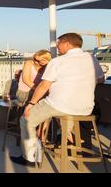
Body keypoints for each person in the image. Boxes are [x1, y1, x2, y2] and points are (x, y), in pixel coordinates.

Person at [10, 33, 104, 167]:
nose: (57, 47)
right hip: (85, 108)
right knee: (64, 117)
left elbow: (43, 86)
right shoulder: (91, 59)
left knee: (26, 120)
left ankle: (29, 157)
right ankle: (62, 137)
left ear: (66, 43)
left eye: (58, 43)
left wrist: (31, 104)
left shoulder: (58, 61)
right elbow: (101, 79)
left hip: (59, 105)